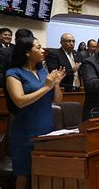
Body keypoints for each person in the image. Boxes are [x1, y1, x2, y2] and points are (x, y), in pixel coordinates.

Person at [5, 37, 65, 189]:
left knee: (43, 173)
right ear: (27, 52)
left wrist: (56, 85)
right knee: (24, 174)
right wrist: (47, 87)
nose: (42, 50)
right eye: (38, 47)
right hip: (25, 131)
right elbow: (20, 101)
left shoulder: (43, 71)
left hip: (46, 130)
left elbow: (57, 101)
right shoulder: (13, 73)